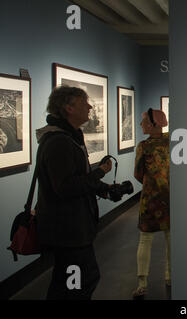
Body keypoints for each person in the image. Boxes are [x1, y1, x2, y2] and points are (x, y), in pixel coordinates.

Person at [35, 85, 112, 300]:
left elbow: (75, 179)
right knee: (76, 284)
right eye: (83, 102)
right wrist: (100, 174)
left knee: (72, 282)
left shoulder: (70, 138)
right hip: (67, 231)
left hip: (73, 229)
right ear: (68, 107)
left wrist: (104, 189)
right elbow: (66, 188)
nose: (89, 106)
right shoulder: (59, 142)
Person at [132, 108, 170, 299]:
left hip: (150, 199)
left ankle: (142, 282)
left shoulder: (144, 146)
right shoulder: (173, 142)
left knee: (145, 240)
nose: (141, 125)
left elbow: (138, 173)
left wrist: (152, 184)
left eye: (144, 121)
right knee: (171, 239)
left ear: (153, 124)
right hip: (170, 198)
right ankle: (170, 276)